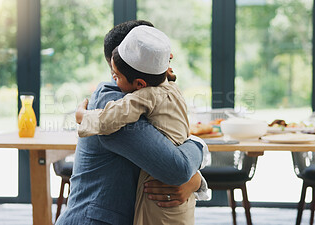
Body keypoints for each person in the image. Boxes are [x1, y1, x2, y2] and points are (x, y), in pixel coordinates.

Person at [55, 20, 205, 225]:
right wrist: (199, 145)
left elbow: (175, 159)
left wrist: (195, 181)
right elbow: (176, 169)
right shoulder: (114, 103)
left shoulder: (154, 95)